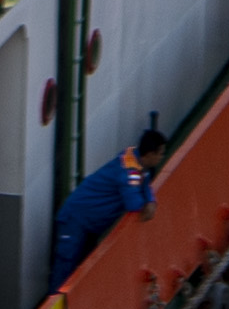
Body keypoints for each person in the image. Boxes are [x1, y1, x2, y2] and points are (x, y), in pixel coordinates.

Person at [47, 120, 168, 283]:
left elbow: (144, 182)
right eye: (160, 154)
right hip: (75, 219)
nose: (161, 157)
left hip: (89, 223)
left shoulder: (132, 159)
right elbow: (134, 203)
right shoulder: (128, 173)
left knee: (84, 266)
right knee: (65, 265)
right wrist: (147, 204)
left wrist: (151, 200)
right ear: (150, 154)